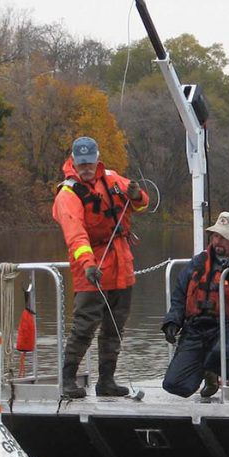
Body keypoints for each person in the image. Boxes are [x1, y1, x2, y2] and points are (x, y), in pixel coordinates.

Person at [53, 135, 149, 399]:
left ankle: (106, 380)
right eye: (81, 163)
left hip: (121, 263)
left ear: (97, 160)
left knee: (115, 327)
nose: (85, 168)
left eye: (89, 163)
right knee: (84, 325)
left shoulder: (113, 179)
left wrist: (137, 195)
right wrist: (88, 264)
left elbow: (142, 202)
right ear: (73, 161)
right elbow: (75, 235)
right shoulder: (68, 194)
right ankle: (68, 379)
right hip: (91, 267)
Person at [161, 211, 229, 399]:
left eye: (224, 238)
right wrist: (172, 321)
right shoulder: (198, 262)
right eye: (216, 236)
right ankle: (210, 374)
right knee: (174, 385)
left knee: (223, 353)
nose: (217, 242)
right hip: (197, 327)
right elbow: (180, 294)